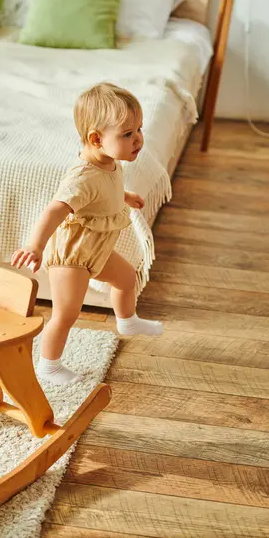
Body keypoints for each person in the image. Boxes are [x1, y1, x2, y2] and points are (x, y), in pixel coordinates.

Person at [11, 82, 162, 385]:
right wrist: (35, 244)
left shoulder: (110, 163)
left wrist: (125, 197)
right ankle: (48, 366)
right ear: (96, 139)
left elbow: (104, 193)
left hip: (96, 248)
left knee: (126, 277)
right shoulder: (81, 177)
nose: (139, 140)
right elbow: (54, 210)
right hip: (72, 256)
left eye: (139, 129)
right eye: (128, 134)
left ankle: (127, 321)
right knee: (66, 314)